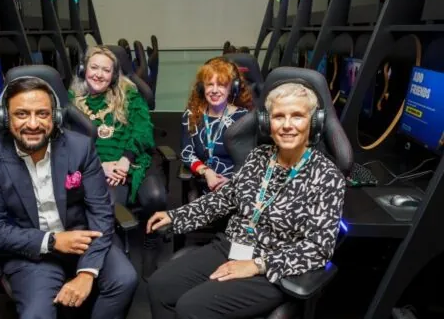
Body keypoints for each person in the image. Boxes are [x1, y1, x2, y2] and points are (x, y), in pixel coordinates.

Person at [146, 81, 346, 319]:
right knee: (159, 285)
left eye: (298, 116)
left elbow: (318, 248)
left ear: (313, 122)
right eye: (279, 116)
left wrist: (257, 265)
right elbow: (225, 197)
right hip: (233, 246)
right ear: (266, 123)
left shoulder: (326, 176)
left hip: (274, 267)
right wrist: (175, 215)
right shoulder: (259, 156)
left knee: (192, 307)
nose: (287, 125)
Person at [0, 76, 137, 319]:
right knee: (36, 314)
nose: (32, 123)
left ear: (56, 117)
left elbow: (100, 210)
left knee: (125, 280)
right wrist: (52, 241)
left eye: (42, 113)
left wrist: (87, 272)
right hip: (30, 251)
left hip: (82, 238)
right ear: (5, 118)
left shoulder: (80, 147)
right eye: (21, 114)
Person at [68, 45, 166, 279]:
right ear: (83, 70)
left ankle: (151, 243)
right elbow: (68, 143)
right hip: (95, 166)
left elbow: (142, 131)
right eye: (94, 68)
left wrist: (124, 160)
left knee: (155, 196)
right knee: (109, 204)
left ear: (114, 75)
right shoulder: (70, 102)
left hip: (133, 160)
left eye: (106, 70)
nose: (99, 74)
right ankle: (118, 257)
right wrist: (100, 166)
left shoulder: (129, 94)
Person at [181, 57, 253, 197]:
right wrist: (206, 172)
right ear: (202, 88)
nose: (214, 90)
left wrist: (231, 181)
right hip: (203, 182)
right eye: (210, 84)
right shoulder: (191, 115)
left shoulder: (244, 118)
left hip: (235, 185)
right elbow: (187, 153)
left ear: (232, 88)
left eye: (221, 85)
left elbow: (250, 160)